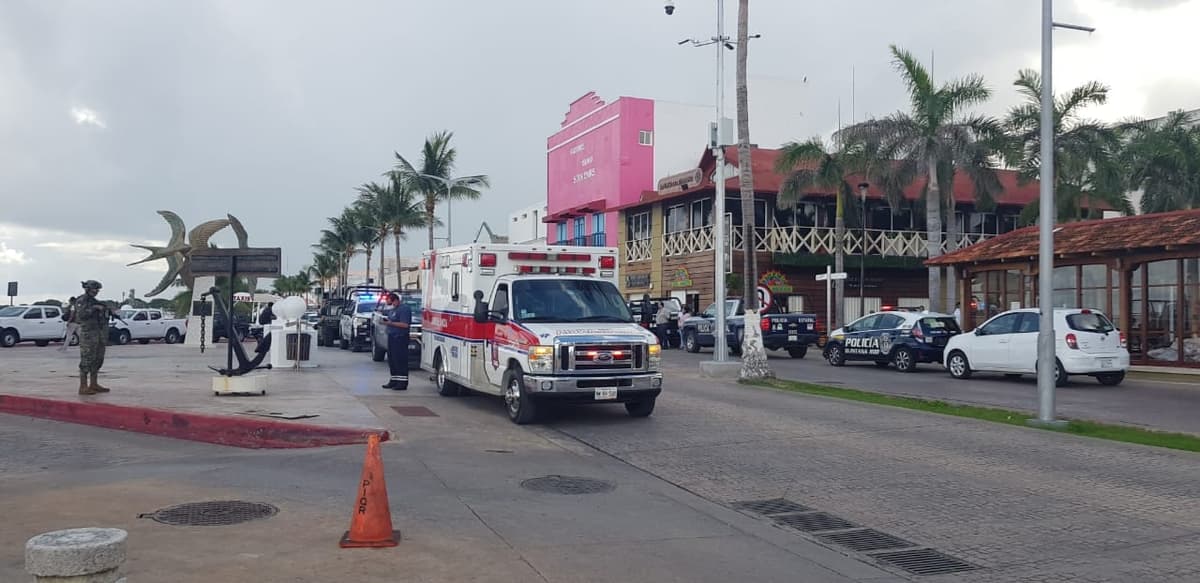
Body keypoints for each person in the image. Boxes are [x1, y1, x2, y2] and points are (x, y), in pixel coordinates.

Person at [71, 280, 124, 395]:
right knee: (87, 360)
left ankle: (94, 384)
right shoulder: (81, 301)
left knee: (98, 359)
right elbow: (81, 315)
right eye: (94, 289)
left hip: (99, 334)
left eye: (97, 290)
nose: (96, 292)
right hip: (88, 334)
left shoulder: (95, 301)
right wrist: (94, 308)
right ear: (88, 289)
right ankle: (83, 386)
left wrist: (107, 311)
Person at [379, 292, 411, 390]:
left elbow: (405, 325)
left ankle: (402, 382)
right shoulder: (392, 310)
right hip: (392, 337)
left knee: (400, 359)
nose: (387, 302)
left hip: (400, 337)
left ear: (394, 300)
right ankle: (394, 380)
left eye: (388, 300)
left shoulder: (404, 309)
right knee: (392, 359)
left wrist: (391, 323)